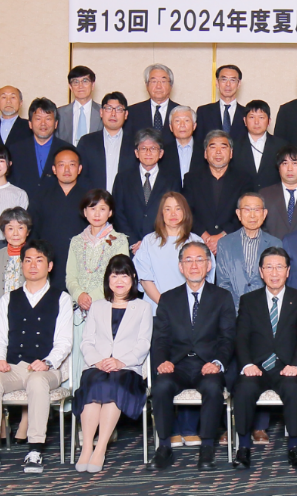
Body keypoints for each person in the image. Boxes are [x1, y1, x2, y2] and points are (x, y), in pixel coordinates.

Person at [0, 239, 72, 474]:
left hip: (47, 369)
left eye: (39, 260)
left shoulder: (62, 298)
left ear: (50, 266)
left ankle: (35, 449)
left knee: (37, 382)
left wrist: (48, 362)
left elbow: (64, 341)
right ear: (22, 264)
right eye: (28, 260)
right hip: (14, 366)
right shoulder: (9, 298)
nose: (33, 265)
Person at [149, 242, 235, 471]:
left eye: (199, 260)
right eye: (188, 260)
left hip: (208, 364)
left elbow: (228, 337)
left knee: (213, 388)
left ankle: (207, 447)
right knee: (160, 386)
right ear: (181, 266)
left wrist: (217, 363)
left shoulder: (222, 297)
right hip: (177, 364)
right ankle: (164, 447)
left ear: (208, 265)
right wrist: (162, 362)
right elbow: (160, 338)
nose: (194, 265)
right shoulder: (168, 299)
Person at [231, 247, 297, 469]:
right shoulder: (249, 300)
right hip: (257, 367)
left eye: (279, 267)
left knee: (294, 389)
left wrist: (296, 365)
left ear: (288, 271)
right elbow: (241, 337)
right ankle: (243, 447)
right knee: (244, 388)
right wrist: (247, 364)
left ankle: (295, 446)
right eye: (269, 267)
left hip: (287, 366)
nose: (274, 272)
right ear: (261, 272)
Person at [73, 254, 153, 473]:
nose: (119, 280)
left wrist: (121, 361)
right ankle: (87, 448)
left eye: (124, 276)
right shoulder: (97, 306)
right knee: (93, 385)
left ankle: (100, 449)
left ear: (133, 278)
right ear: (108, 279)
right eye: (114, 275)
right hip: (97, 366)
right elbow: (87, 341)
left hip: (127, 369)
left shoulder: (143, 307)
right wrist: (98, 361)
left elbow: (143, 343)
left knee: (114, 386)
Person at [66, 190, 131, 386]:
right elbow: (70, 276)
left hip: (106, 309)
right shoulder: (76, 241)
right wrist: (79, 295)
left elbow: (119, 278)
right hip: (79, 310)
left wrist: (92, 298)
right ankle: (77, 400)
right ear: (84, 212)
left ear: (110, 212)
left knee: (101, 361)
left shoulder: (119, 240)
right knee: (78, 356)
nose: (97, 213)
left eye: (102, 209)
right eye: (92, 208)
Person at [132, 192, 212, 316]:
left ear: (185, 212)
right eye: (168, 209)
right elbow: (145, 280)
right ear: (161, 213)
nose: (173, 214)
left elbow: (206, 281)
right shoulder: (149, 241)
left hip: (190, 312)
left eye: (178, 209)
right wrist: (165, 306)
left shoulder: (196, 242)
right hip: (156, 311)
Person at [27, 148, 87, 287]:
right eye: (61, 165)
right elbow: (32, 231)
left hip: (81, 263)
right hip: (49, 261)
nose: (66, 169)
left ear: (79, 169)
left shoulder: (90, 198)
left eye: (71, 164)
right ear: (54, 169)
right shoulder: (40, 196)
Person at [112, 128, 180, 249]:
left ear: (161, 153)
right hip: (129, 247)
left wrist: (154, 242)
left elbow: (175, 214)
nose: (148, 152)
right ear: (136, 153)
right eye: (143, 148)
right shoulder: (122, 178)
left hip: (161, 245)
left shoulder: (172, 180)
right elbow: (117, 213)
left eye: (153, 148)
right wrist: (133, 241)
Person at [183, 131, 249, 255]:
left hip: (233, 244)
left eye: (223, 147)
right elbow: (187, 211)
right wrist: (205, 236)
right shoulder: (191, 179)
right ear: (205, 153)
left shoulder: (244, 180)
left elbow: (244, 211)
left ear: (231, 153)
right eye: (213, 147)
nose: (218, 152)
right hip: (198, 243)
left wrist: (221, 236)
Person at [215, 193, 282, 309]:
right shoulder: (224, 244)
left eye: (257, 210)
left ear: (264, 214)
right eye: (247, 210)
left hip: (264, 310)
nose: (252, 215)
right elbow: (223, 283)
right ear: (238, 214)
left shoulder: (275, 244)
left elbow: (276, 281)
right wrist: (238, 309)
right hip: (233, 310)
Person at [7, 98, 76, 202]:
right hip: (23, 206)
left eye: (48, 119)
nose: (43, 123)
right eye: (38, 119)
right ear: (30, 124)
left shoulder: (68, 150)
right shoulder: (15, 150)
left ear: (56, 123)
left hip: (57, 205)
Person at [76, 91, 137, 193]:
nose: (113, 114)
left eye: (118, 109)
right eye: (108, 108)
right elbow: (80, 176)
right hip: (94, 200)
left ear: (126, 114)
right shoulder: (86, 142)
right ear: (101, 112)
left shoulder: (135, 143)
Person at [259, 144, 297, 240]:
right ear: (278, 167)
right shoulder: (264, 195)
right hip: (272, 247)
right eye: (285, 163)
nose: (289, 169)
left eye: (295, 163)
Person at [233, 100, 288, 190]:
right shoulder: (234, 146)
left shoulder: (281, 146)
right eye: (252, 117)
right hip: (242, 196)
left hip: (272, 196)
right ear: (245, 121)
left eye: (261, 117)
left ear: (269, 121)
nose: (256, 122)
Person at [194, 64, 249, 147]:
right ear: (217, 83)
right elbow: (198, 143)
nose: (228, 84)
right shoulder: (203, 112)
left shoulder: (247, 113)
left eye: (232, 80)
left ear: (239, 84)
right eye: (224, 79)